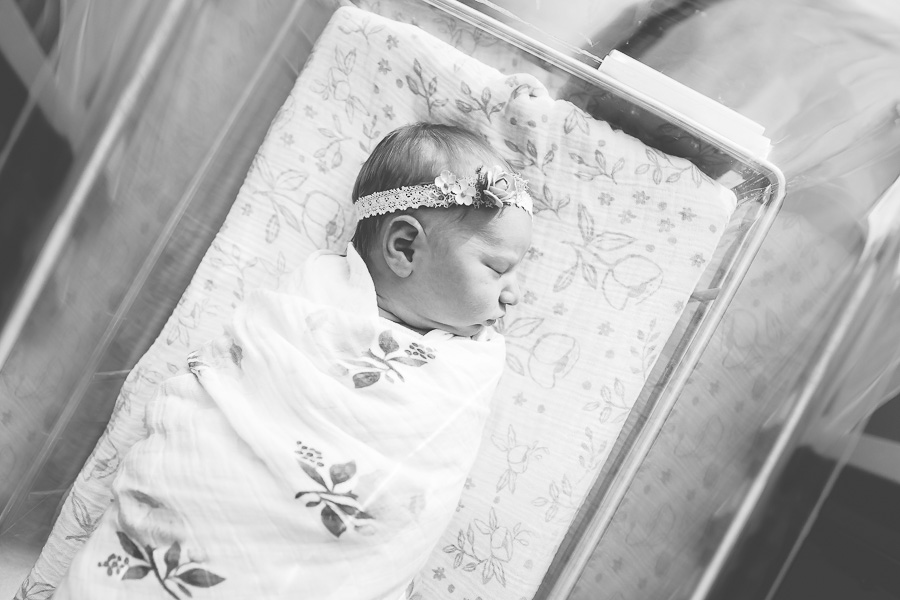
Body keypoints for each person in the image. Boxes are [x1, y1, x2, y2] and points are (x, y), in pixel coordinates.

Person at [53, 122, 533, 599]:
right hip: (213, 490)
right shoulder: (311, 296)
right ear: (404, 247)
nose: (514, 294)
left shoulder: (465, 367)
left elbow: (411, 485)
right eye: (497, 268)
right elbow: (235, 379)